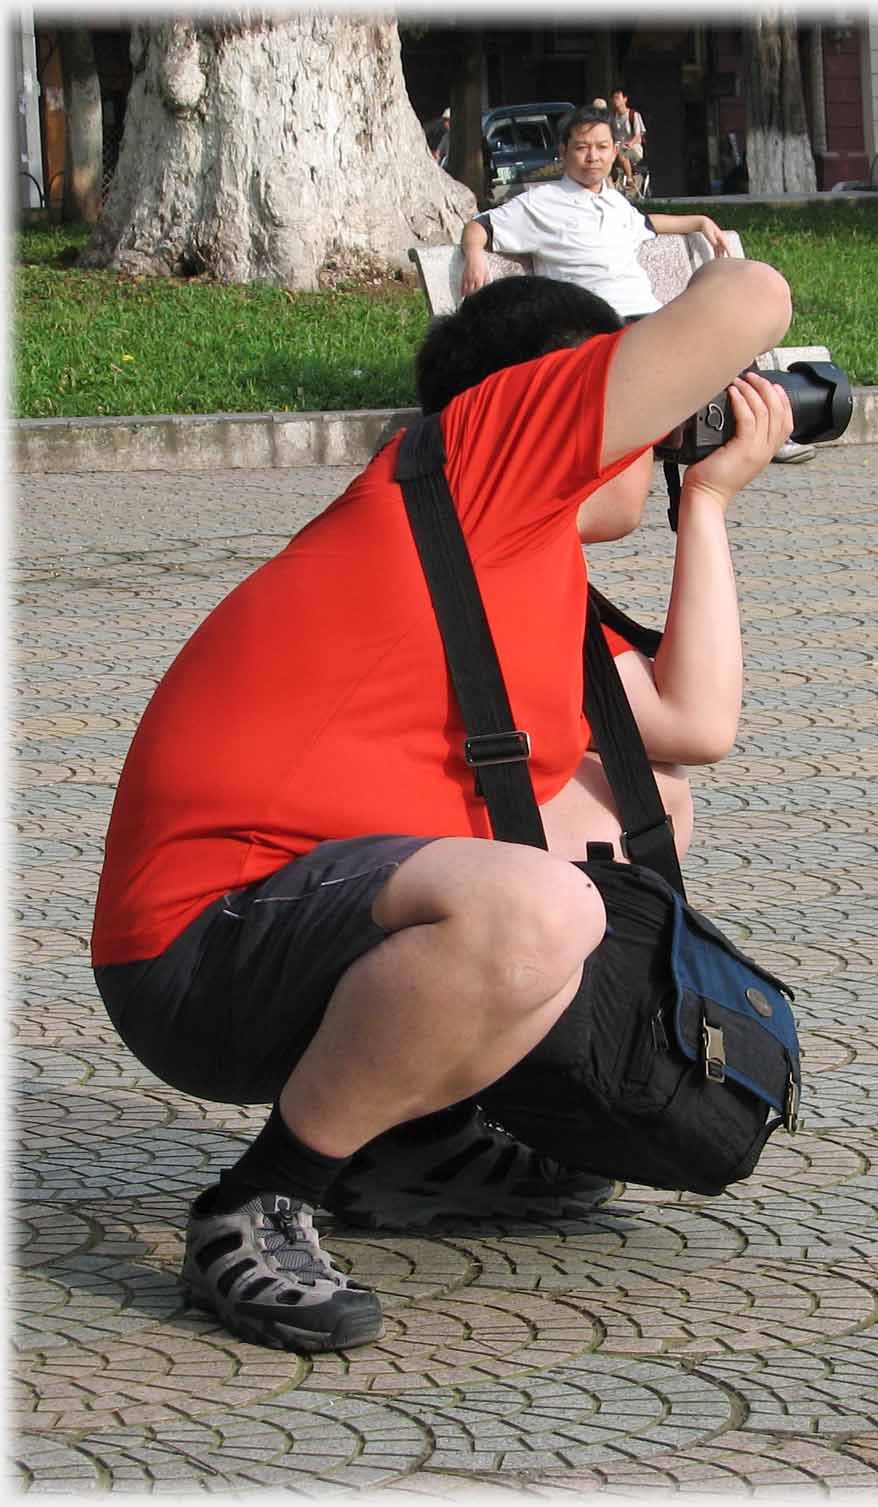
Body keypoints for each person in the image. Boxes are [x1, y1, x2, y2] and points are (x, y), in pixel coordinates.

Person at [91, 246, 795, 1352]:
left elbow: (691, 720)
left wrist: (704, 503)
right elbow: (755, 302)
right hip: (196, 948)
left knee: (635, 806)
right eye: (642, 404)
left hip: (295, 927)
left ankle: (404, 1140)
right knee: (547, 906)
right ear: (554, 393)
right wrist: (701, 269)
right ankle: (259, 1200)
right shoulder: (483, 459)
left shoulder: (514, 559)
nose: (655, 434)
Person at [461, 106, 813, 464]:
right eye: (582, 147)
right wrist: (474, 254)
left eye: (601, 147)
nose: (592, 157)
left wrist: (700, 222)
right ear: (564, 151)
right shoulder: (540, 203)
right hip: (597, 327)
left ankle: (768, 431)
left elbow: (648, 223)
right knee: (703, 339)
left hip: (646, 320)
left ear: (616, 151)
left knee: (726, 335)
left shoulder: (614, 203)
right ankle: (752, 433)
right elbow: (481, 226)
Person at [610, 86, 647, 194]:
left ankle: (630, 179)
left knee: (622, 155)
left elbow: (638, 135)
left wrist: (630, 143)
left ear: (625, 99)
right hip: (618, 148)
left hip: (633, 148)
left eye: (618, 98)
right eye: (613, 98)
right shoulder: (613, 117)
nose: (615, 101)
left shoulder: (633, 115)